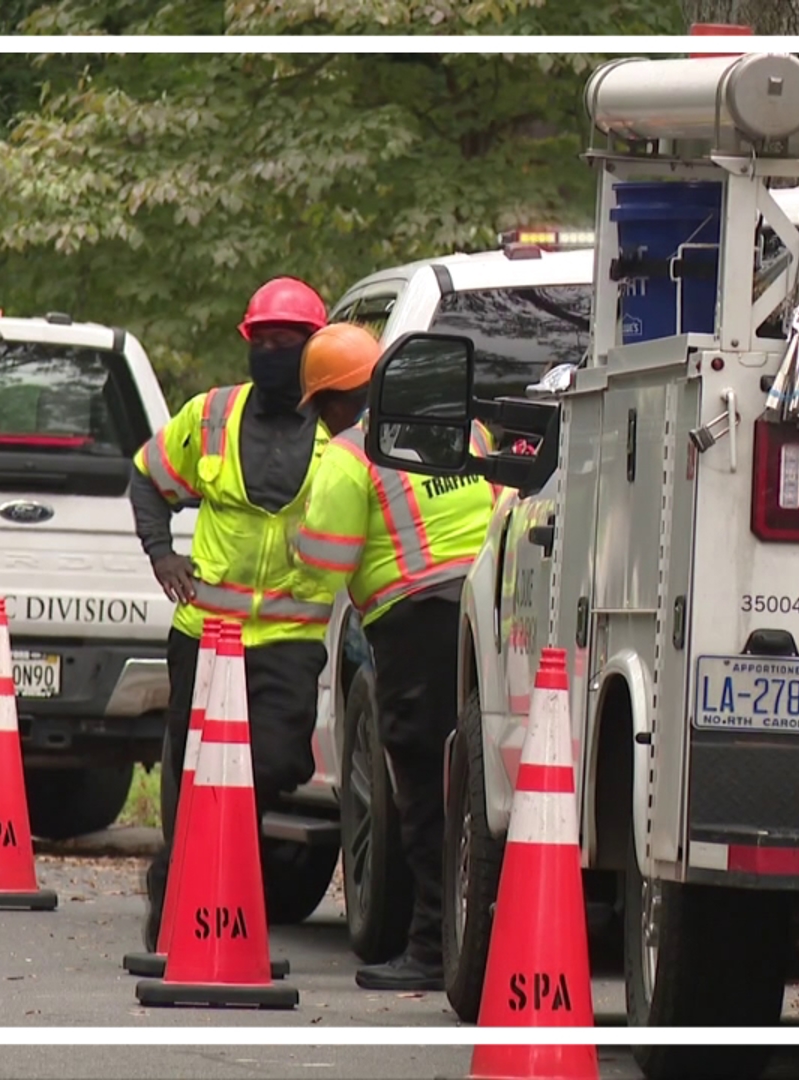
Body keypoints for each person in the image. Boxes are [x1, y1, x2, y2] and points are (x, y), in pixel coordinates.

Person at [128, 276, 338, 950]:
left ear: (315, 348)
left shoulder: (342, 430)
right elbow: (148, 475)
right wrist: (162, 554)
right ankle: (178, 918)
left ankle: (186, 874)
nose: (274, 352)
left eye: (289, 342)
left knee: (275, 764)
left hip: (288, 637)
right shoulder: (212, 413)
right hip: (206, 634)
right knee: (191, 775)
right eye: (264, 341)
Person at [288, 322, 499, 992]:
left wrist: (292, 563)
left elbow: (323, 565)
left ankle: (434, 950)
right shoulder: (467, 430)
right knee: (475, 784)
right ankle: (472, 941)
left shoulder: (350, 457)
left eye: (320, 409)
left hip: (415, 628)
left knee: (423, 793)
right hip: (490, 613)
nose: (321, 424)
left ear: (336, 402)